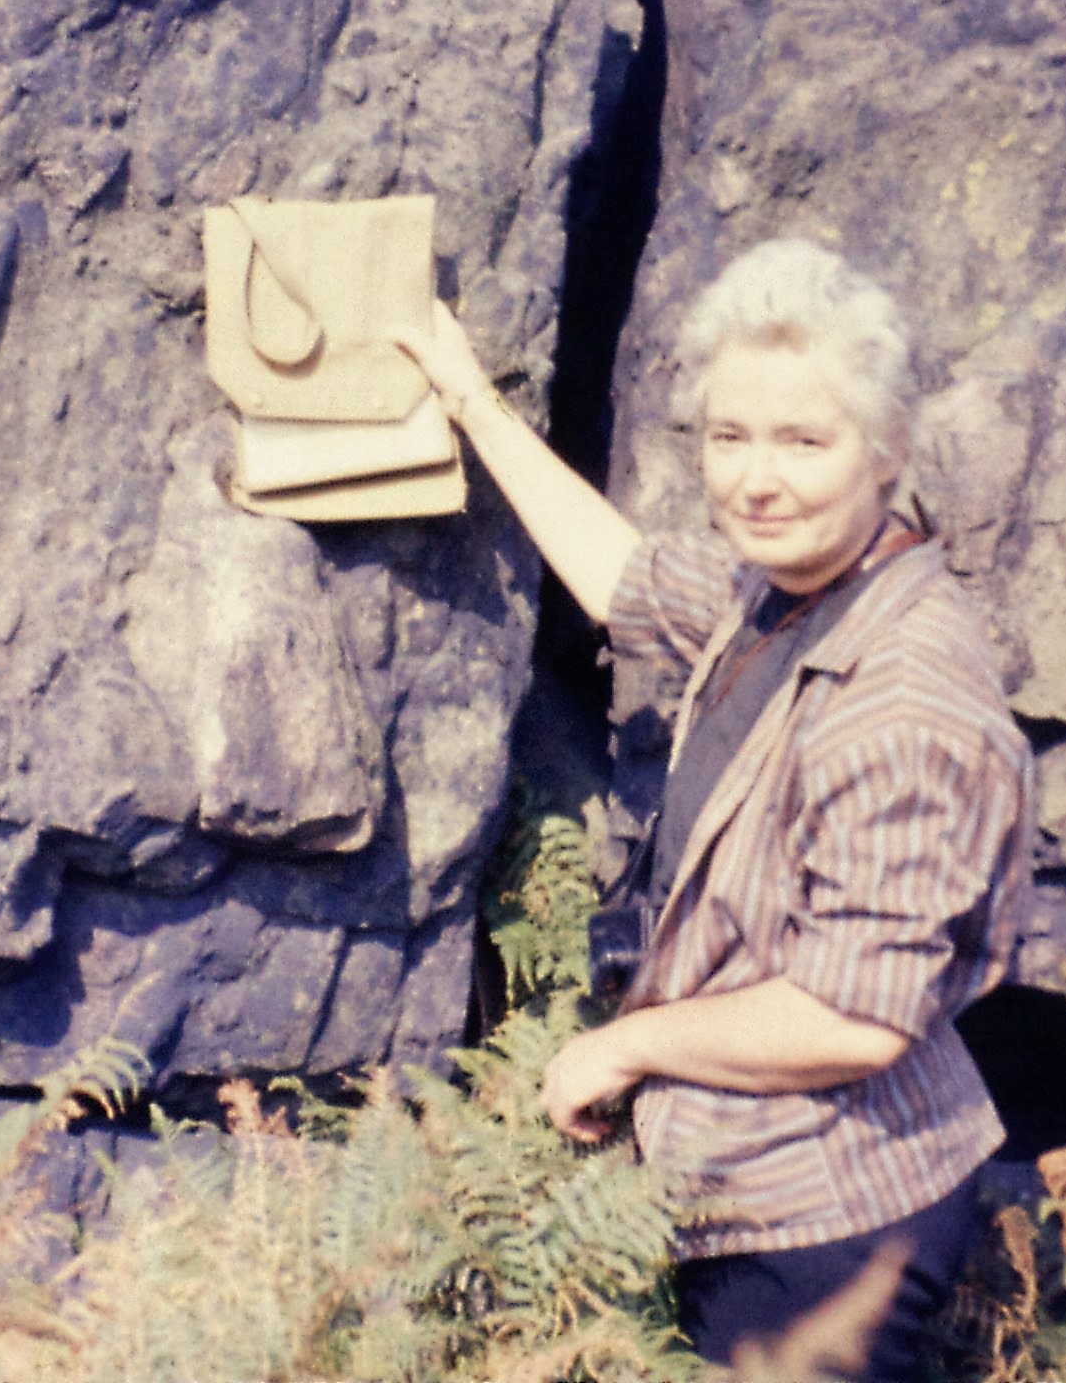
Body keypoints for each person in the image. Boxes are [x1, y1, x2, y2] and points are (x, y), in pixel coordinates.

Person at [390, 238, 1031, 1382]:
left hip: (834, 1229)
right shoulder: (788, 597)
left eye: (802, 441)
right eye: (730, 438)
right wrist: (471, 405)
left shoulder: (903, 704)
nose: (755, 479)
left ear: (885, 451)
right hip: (763, 1193)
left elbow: (855, 1018)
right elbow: (628, 580)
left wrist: (625, 1046)